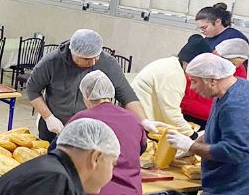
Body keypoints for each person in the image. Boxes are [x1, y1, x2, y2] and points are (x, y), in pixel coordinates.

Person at [166, 53, 249, 195]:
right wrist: (194, 143)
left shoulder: (236, 105)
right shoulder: (231, 91)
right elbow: (216, 130)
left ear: (212, 80)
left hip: (238, 190)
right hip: (230, 184)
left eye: (194, 81)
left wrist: (191, 146)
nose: (192, 88)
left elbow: (235, 151)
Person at [26, 29, 161, 142]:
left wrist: (143, 120)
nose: (94, 61)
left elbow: (126, 94)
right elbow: (32, 90)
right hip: (56, 127)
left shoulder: (107, 63)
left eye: (96, 56)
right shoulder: (52, 62)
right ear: (73, 53)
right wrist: (49, 118)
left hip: (90, 129)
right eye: (87, 59)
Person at [132, 34, 211, 137]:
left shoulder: (171, 64)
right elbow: (171, 111)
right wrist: (191, 135)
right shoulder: (173, 75)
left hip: (144, 115)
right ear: (190, 63)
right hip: (142, 120)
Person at [182, 37, 249, 127]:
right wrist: (215, 114)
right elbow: (184, 100)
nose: (229, 70)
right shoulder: (199, 68)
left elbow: (234, 96)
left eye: (235, 66)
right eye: (230, 64)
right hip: (194, 118)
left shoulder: (239, 70)